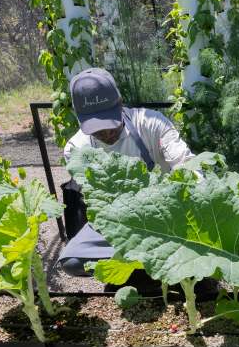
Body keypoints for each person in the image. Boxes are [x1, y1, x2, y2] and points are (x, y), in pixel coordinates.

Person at [58, 67, 194, 276]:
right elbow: (98, 203)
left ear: (120, 103)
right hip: (119, 223)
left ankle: (142, 266)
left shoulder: (151, 123)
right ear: (80, 119)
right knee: (73, 262)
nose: (106, 132)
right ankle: (145, 266)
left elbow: (185, 164)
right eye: (96, 127)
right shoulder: (76, 150)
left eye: (109, 122)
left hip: (166, 216)